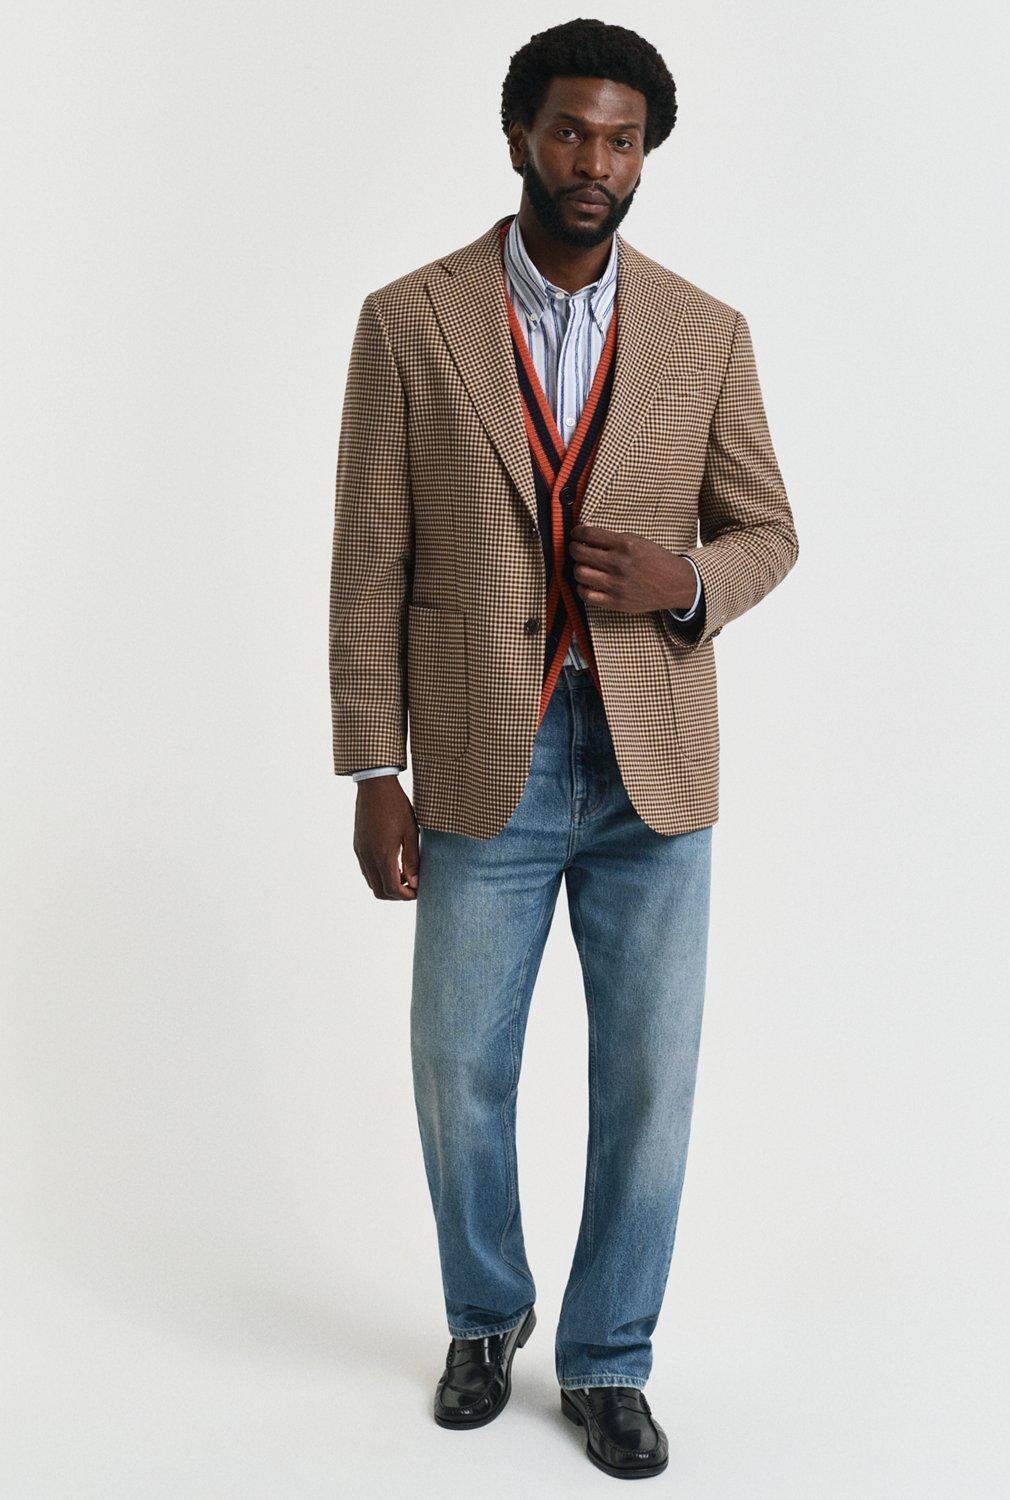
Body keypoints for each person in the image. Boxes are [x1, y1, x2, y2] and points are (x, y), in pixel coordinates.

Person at [330, 18, 799, 1480]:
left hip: (655, 768)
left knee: (648, 1085)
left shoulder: (704, 330)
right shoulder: (410, 320)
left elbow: (769, 530)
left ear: (644, 155)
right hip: (489, 757)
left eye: (621, 139)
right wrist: (374, 772)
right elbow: (369, 561)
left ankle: (607, 1359)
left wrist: (689, 581)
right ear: (520, 137)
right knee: (457, 1069)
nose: (594, 160)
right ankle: (485, 1318)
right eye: (570, 132)